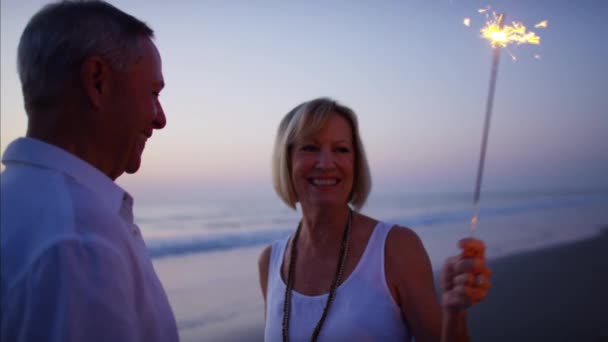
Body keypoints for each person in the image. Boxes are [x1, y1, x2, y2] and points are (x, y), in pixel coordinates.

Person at [0, 1, 178, 341]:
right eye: (153, 93)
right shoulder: (78, 241)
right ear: (97, 81)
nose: (160, 118)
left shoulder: (13, 200)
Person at [258, 98, 492, 341]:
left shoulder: (395, 248)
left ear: (355, 163)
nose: (326, 163)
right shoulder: (271, 262)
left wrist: (454, 314)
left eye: (341, 149)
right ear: (285, 160)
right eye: (310, 147)